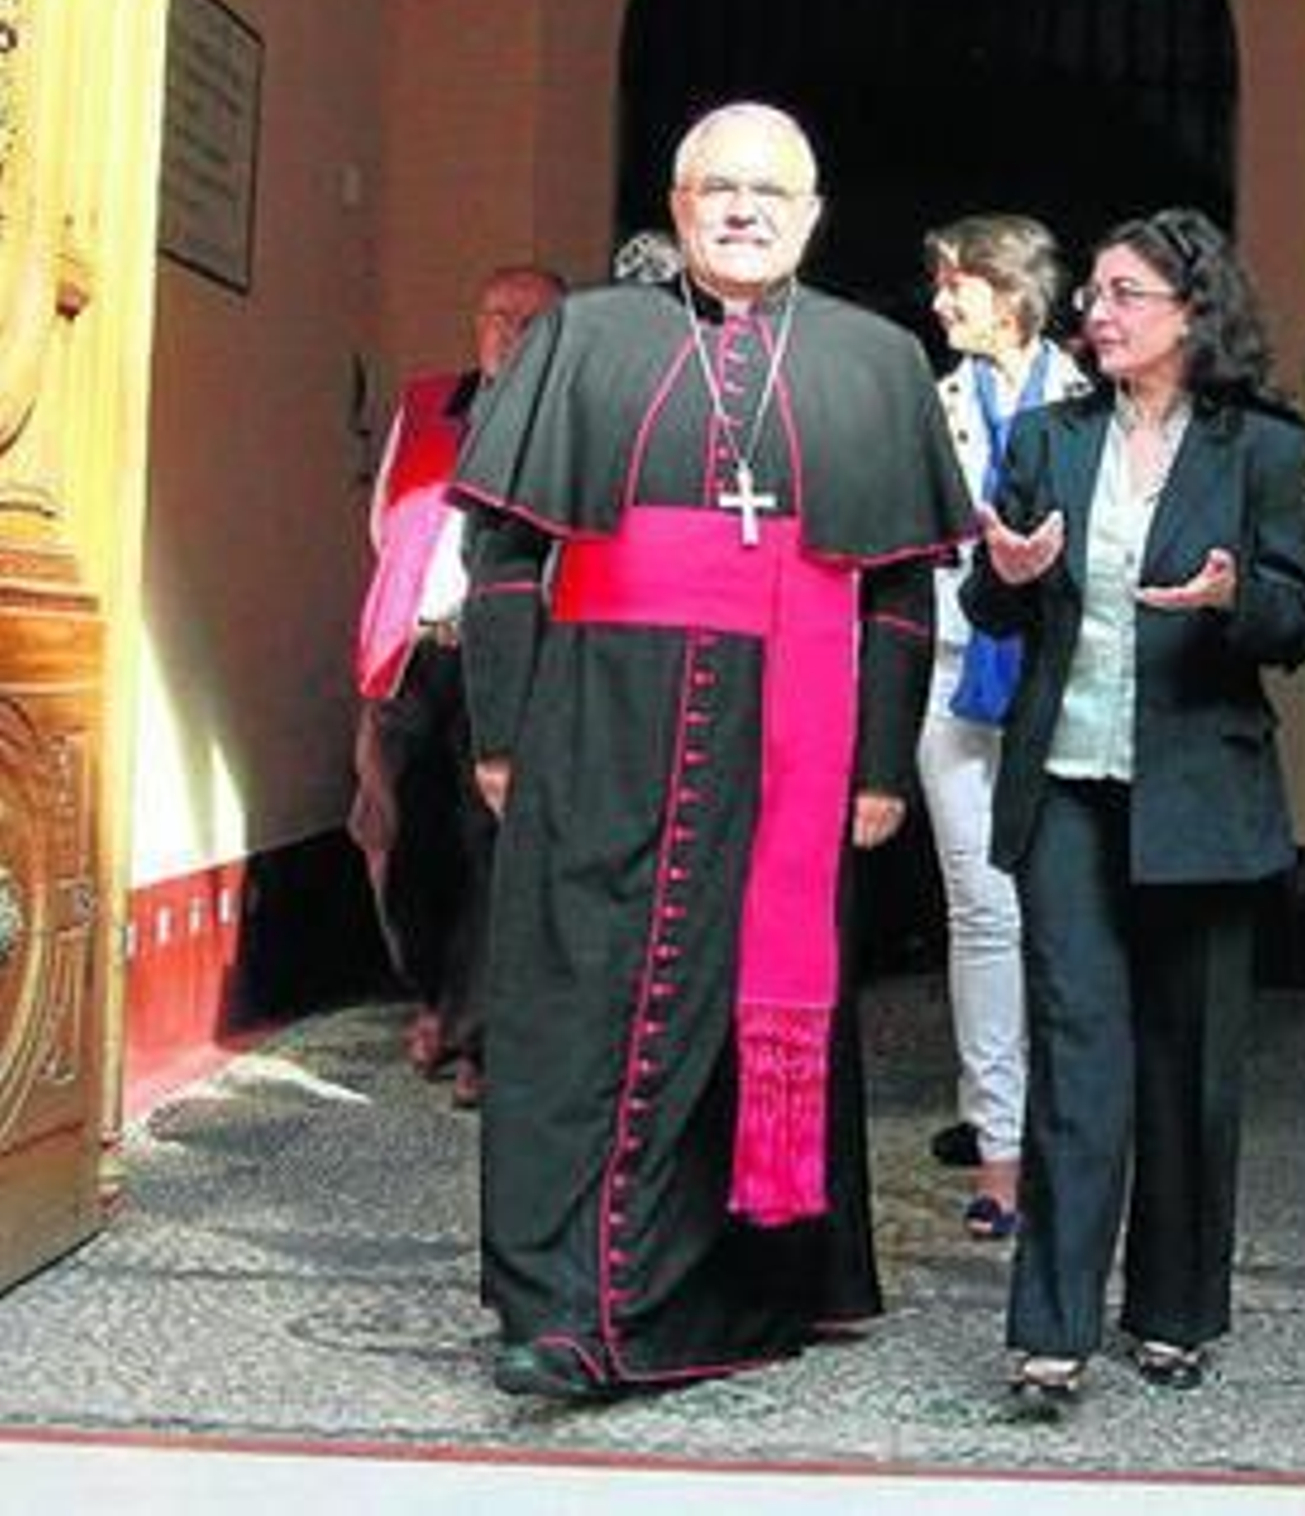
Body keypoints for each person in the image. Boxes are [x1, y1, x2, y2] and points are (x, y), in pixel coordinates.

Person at [453, 101, 973, 1400]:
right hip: (598, 717)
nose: (743, 210)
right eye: (717, 188)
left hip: (788, 742)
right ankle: (557, 1299)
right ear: (678, 207)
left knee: (748, 1007)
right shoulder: (585, 333)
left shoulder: (873, 361)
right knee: (572, 1003)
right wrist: (503, 730)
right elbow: (506, 554)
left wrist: (879, 763)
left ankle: (723, 1292)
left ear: (812, 215)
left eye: (770, 192)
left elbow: (901, 589)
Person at [963, 207, 1305, 1399]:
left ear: (1191, 313)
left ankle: (1173, 1312)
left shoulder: (1261, 448)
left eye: (1123, 295)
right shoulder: (1047, 438)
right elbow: (997, 598)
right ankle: (1051, 1331)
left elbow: (1297, 617)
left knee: (1190, 1058)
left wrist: (1232, 599)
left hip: (1200, 792)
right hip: (1065, 782)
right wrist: (1006, 576)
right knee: (1078, 1053)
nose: (1095, 315)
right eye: (1095, 295)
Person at [347, 264, 564, 1109]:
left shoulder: (565, 417)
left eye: (527, 318)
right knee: (400, 836)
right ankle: (433, 995)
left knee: (490, 843)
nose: (506, 331)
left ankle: (478, 1034)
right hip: (411, 650)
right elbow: (384, 524)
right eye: (492, 315)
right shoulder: (427, 401)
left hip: (506, 656)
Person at [917, 214, 1084, 1240]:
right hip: (951, 673)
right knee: (981, 915)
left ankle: (1071, 1125)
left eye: (954, 287)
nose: (938, 304)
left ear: (1007, 294)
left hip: (1062, 686)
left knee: (1065, 913)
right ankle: (998, 1146)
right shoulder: (930, 407)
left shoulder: (1086, 403)